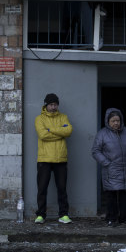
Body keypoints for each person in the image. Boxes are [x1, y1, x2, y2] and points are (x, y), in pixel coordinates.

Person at [91, 108, 126, 227]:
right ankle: (112, 218)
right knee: (111, 196)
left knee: (124, 195)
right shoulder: (102, 134)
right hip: (111, 170)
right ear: (108, 121)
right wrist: (106, 162)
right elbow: (95, 151)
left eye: (118, 120)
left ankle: (124, 218)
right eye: (113, 121)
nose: (116, 123)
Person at [34, 93, 73, 224]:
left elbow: (68, 131)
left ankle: (64, 214)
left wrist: (51, 129)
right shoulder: (39, 119)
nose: (53, 107)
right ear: (46, 105)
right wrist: (59, 132)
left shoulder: (64, 117)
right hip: (44, 159)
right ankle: (40, 215)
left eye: (55, 104)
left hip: (60, 158)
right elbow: (43, 135)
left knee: (62, 188)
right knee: (42, 188)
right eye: (51, 104)